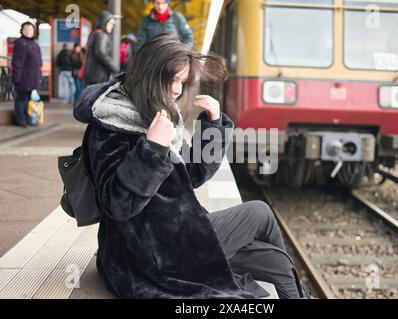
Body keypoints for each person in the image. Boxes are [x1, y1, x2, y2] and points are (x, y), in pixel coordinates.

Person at [73, 34, 307, 299]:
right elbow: (118, 204)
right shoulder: (111, 125)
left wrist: (214, 124)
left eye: (182, 82)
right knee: (263, 224)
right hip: (149, 252)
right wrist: (152, 149)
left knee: (275, 256)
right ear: (150, 74)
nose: (177, 90)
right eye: (172, 80)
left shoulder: (154, 112)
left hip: (178, 229)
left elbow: (192, 175)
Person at [11, 21, 42, 128]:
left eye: (30, 29)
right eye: (26, 29)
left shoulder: (35, 44)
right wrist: (16, 77)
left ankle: (28, 118)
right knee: (21, 99)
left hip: (33, 78)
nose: (28, 31)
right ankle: (20, 120)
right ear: (22, 31)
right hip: (23, 77)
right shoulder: (20, 43)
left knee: (29, 100)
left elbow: (39, 63)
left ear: (34, 31)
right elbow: (17, 62)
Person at [83, 10, 119, 85]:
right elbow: (100, 53)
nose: (112, 26)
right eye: (110, 23)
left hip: (92, 74)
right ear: (104, 22)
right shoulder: (101, 35)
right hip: (98, 75)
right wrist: (114, 67)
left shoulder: (94, 33)